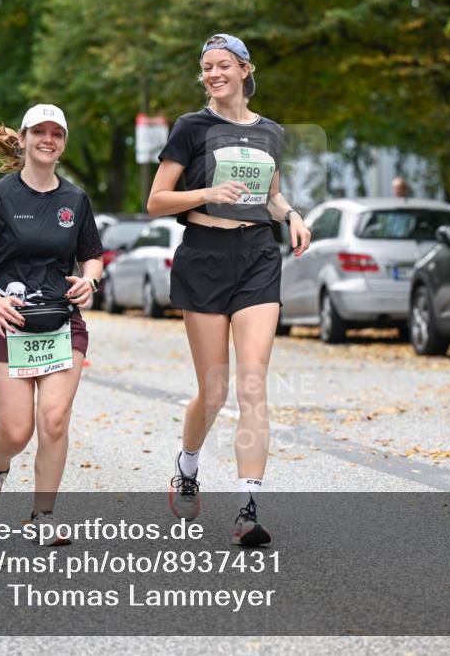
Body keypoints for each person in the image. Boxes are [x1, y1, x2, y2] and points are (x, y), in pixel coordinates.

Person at [147, 34, 311, 546]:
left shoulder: (271, 132)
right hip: (203, 259)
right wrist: (208, 193)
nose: (214, 74)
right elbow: (156, 201)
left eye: (223, 66)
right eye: (207, 68)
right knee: (214, 390)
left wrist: (293, 216)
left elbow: (273, 195)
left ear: (245, 70)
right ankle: (188, 465)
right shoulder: (191, 127)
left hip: (258, 258)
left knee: (253, 383)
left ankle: (247, 508)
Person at [0, 104, 103, 546]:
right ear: (22, 140)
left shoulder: (75, 199)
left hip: (61, 321)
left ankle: (42, 516)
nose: (48, 139)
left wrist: (90, 279)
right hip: (10, 325)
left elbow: (92, 255)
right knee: (16, 431)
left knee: (55, 419)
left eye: (56, 133)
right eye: (39, 132)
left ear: (63, 142)